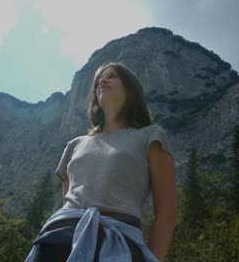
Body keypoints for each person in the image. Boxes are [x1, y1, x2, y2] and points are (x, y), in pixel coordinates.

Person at [25, 62, 178, 262]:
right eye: (98, 80)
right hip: (56, 241)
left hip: (118, 245)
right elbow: (69, 201)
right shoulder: (74, 145)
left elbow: (167, 210)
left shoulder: (151, 136)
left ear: (130, 90)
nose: (102, 81)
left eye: (112, 76)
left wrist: (151, 258)